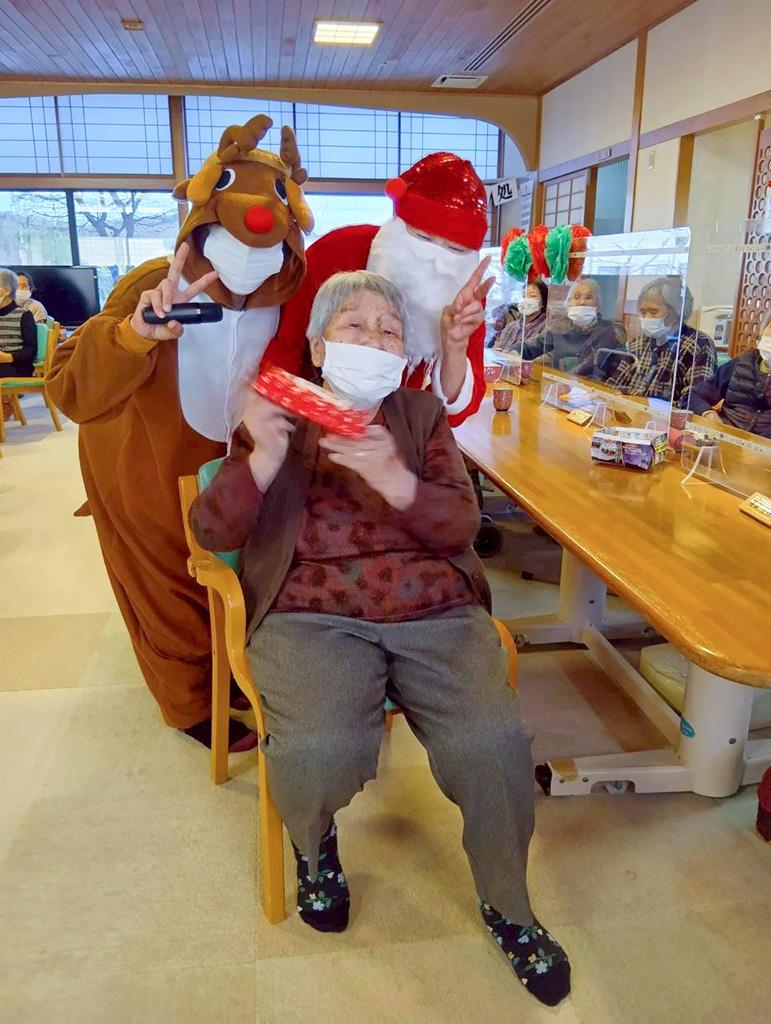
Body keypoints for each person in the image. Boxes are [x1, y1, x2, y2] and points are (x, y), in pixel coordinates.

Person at [190, 270, 571, 1007]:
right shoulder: (278, 411)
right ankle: (316, 849)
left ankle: (508, 905)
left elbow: (461, 527)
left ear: (404, 354)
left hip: (433, 610)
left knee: (492, 745)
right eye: (354, 325)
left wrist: (398, 483)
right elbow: (210, 529)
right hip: (310, 613)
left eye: (389, 331)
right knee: (316, 749)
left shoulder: (419, 414)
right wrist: (262, 460)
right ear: (317, 344)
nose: (372, 340)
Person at [47, 114, 314, 751]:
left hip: (235, 465)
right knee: (165, 588)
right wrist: (134, 333)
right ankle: (190, 705)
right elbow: (70, 390)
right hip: (144, 464)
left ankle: (231, 675)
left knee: (235, 577)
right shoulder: (152, 282)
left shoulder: (291, 295)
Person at [262, 152, 493, 426]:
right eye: (422, 237)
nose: (436, 263)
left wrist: (454, 346)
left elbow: (453, 413)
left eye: (455, 249)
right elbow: (283, 352)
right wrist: (321, 424)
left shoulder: (462, 290)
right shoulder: (337, 252)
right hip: (305, 419)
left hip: (398, 432)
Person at [607, 278, 717, 408]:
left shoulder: (699, 344)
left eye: (653, 312)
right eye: (643, 312)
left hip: (664, 418)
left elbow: (694, 402)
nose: (646, 318)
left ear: (675, 312)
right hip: (629, 413)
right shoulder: (640, 343)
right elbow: (614, 384)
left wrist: (639, 402)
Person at [517, 277, 625, 378]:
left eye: (588, 297)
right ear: (568, 303)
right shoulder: (560, 327)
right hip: (556, 383)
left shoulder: (609, 332)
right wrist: (511, 353)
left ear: (598, 304)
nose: (582, 302)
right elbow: (532, 346)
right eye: (576, 297)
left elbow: (588, 368)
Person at [690, 311, 771, 438]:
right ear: (762, 330)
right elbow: (694, 395)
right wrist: (709, 414)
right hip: (725, 438)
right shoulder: (743, 363)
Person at [492, 279, 548, 352]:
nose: (526, 300)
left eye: (532, 296)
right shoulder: (511, 326)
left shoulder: (547, 327)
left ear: (543, 302)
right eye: (524, 296)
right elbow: (496, 349)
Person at [0, 268, 37, 379]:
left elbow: (31, 350)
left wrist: (8, 357)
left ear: (6, 291)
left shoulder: (24, 315)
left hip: (16, 366)